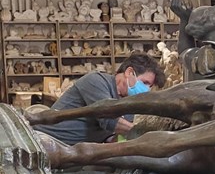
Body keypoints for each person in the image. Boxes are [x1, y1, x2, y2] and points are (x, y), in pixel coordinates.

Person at [33, 53, 165, 145]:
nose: (147, 89)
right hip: (42, 142)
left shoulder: (128, 104)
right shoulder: (96, 81)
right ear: (129, 72)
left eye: (150, 86)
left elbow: (112, 138)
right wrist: (147, 133)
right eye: (145, 83)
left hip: (72, 154)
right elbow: (108, 120)